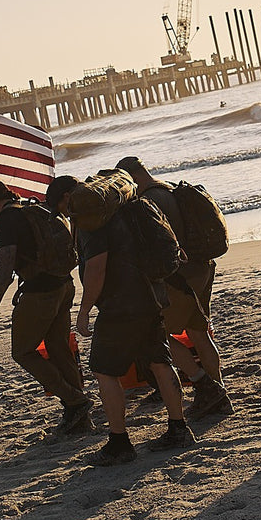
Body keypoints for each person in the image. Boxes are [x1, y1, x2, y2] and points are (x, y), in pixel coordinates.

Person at [65, 177, 194, 465]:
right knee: (160, 361)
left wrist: (84, 311)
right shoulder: (132, 209)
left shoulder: (93, 224)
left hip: (121, 306)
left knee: (103, 370)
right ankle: (179, 428)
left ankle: (119, 442)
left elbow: (96, 270)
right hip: (151, 297)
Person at [0, 179, 94, 444]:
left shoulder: (6, 221)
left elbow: (5, 266)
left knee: (23, 351)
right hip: (64, 284)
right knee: (59, 347)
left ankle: (77, 401)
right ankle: (79, 415)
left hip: (40, 293)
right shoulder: (32, 208)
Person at [115, 156, 232, 420]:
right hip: (203, 267)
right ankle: (218, 389)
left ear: (131, 177)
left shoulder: (149, 201)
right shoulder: (170, 188)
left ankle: (203, 382)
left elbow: (162, 246)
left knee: (157, 337)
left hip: (181, 277)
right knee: (200, 333)